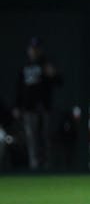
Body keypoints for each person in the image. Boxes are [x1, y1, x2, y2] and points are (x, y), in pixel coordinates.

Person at [14, 36, 64, 169]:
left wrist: (53, 74)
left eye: (36, 48)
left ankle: (47, 167)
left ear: (40, 50)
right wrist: (18, 106)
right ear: (28, 50)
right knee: (32, 140)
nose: (34, 51)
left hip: (45, 108)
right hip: (29, 109)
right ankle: (34, 167)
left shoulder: (46, 64)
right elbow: (20, 89)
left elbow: (59, 81)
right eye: (32, 48)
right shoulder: (25, 67)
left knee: (46, 138)